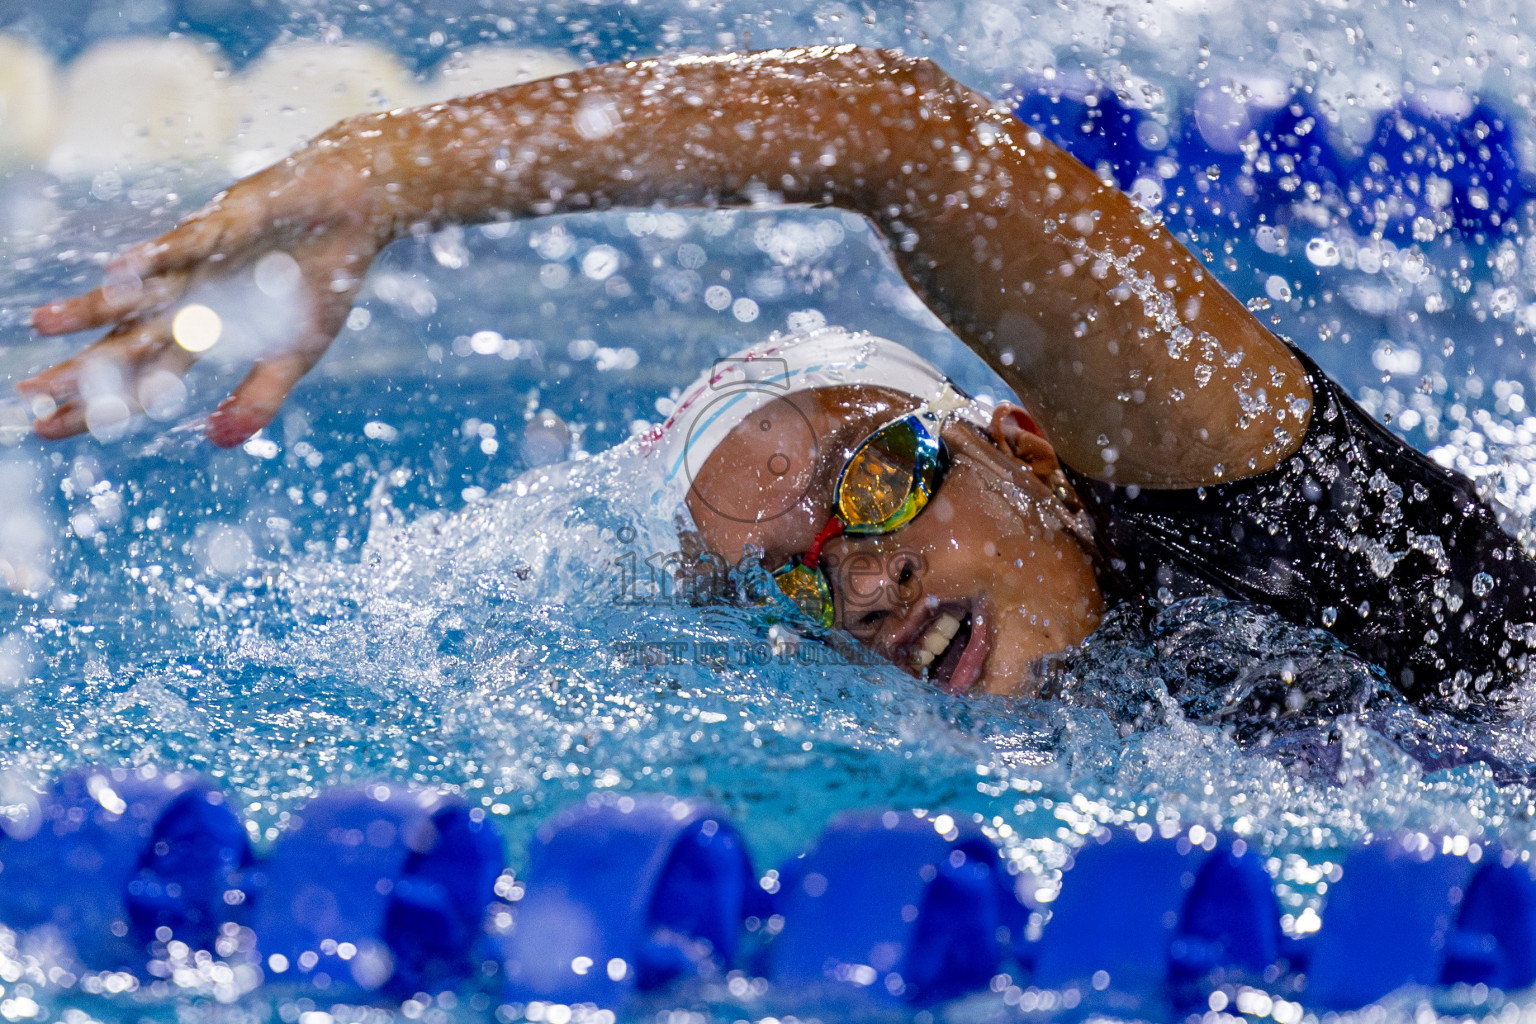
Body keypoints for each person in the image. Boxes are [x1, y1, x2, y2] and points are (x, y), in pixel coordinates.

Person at [14, 45, 1536, 710]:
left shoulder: (1270, 508)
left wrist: (391, 170)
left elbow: (900, 136)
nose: (864, 577)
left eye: (878, 478)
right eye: (797, 578)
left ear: (1027, 444)